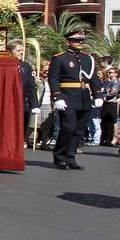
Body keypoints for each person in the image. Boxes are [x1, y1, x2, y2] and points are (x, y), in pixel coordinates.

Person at [47, 25, 101, 170]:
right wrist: (57, 96)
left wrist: (98, 94)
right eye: (76, 40)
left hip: (84, 98)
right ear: (68, 41)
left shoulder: (88, 59)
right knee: (68, 127)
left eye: (82, 40)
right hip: (67, 97)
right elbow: (53, 79)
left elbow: (93, 78)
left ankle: (71, 157)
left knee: (79, 130)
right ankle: (60, 157)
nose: (80, 42)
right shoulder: (60, 59)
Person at [9, 39, 38, 148]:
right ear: (11, 51)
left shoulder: (26, 66)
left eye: (22, 50)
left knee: (22, 126)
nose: (21, 52)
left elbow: (31, 86)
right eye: (18, 50)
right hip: (10, 102)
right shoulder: (5, 65)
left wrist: (35, 104)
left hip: (23, 103)